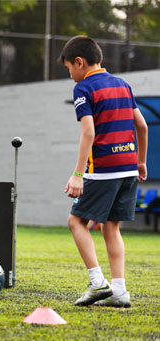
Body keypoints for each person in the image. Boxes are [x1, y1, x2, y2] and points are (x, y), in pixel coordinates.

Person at [60, 36, 148, 308]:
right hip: (129, 167)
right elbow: (142, 126)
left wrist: (77, 173)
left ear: (79, 62)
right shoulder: (123, 85)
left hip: (103, 169)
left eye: (69, 69)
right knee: (112, 227)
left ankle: (98, 282)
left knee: (76, 222)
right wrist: (141, 162)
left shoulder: (84, 88)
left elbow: (88, 131)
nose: (71, 75)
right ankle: (120, 292)